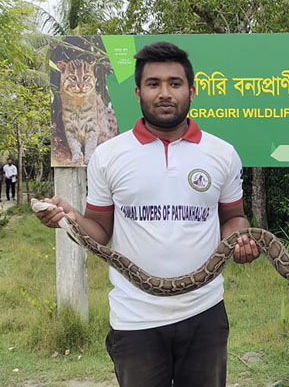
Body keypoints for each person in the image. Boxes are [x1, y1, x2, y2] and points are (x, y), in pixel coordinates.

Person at [34, 41, 261, 387]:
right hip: (134, 319)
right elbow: (99, 230)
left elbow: (234, 217)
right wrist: (70, 218)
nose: (165, 93)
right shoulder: (109, 155)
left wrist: (239, 238)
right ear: (139, 92)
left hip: (205, 314)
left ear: (192, 90)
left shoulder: (222, 153)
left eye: (175, 83)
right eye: (154, 84)